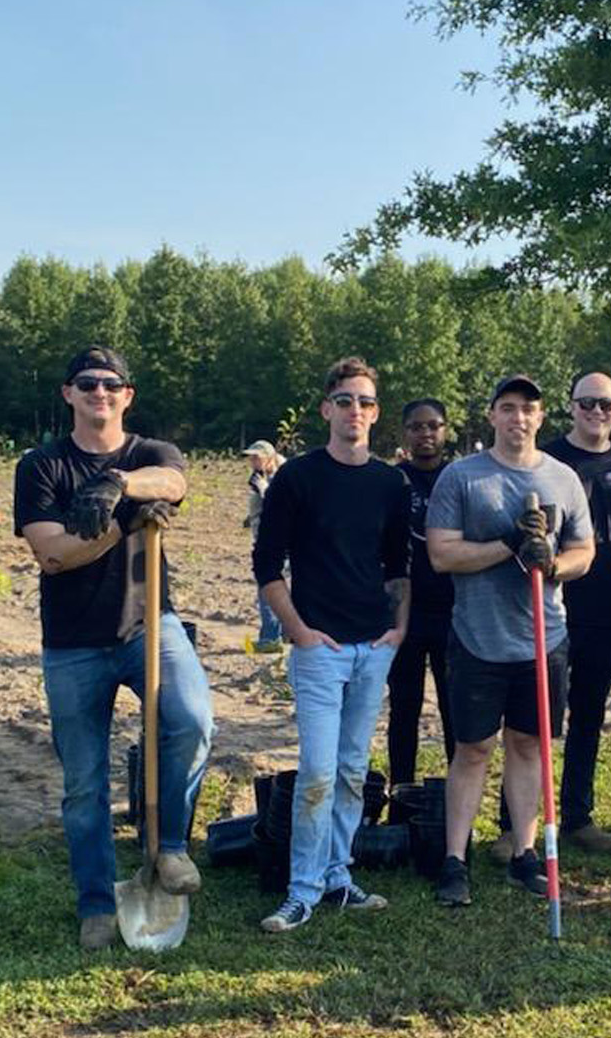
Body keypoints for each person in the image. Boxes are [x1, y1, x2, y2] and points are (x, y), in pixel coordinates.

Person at [14, 346, 213, 949]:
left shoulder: (147, 453)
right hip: (73, 643)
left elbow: (174, 482)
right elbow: (53, 553)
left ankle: (171, 848)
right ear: (68, 393)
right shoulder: (41, 465)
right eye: (87, 384)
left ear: (127, 395)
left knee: (190, 720)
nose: (100, 393)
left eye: (112, 384)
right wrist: (123, 523)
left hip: (148, 624)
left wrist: (117, 484)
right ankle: (96, 902)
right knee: (84, 782)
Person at [254, 357, 410, 932]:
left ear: (375, 413)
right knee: (317, 771)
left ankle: (339, 877)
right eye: (345, 400)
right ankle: (301, 889)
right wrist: (298, 632)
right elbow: (267, 565)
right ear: (326, 408)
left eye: (366, 402)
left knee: (350, 769)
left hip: (374, 647)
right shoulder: (297, 477)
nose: (355, 411)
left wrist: (398, 629)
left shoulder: (388, 483)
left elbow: (399, 565)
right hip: (320, 649)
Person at [426, 375, 594, 907]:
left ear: (542, 418)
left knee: (528, 745)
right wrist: (508, 543)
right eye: (507, 408)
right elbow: (442, 555)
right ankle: (455, 859)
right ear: (492, 416)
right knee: (472, 748)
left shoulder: (564, 479)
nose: (518, 418)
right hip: (478, 639)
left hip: (544, 640)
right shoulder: (462, 477)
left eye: (528, 409)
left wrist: (554, 563)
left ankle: (525, 853)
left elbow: (584, 550)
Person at [521, 371, 611, 854]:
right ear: (571, 407)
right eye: (588, 404)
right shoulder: (546, 458)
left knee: (589, 716)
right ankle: (518, 827)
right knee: (535, 719)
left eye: (607, 404)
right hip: (550, 608)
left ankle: (578, 818)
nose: (597, 412)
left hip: (606, 611)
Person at [387, 398, 457, 785]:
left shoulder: (459, 478)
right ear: (405, 434)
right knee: (404, 709)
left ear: (445, 430)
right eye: (416, 427)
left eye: (434, 426)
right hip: (406, 616)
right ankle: (401, 795)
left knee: (455, 713)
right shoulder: (392, 482)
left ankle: (454, 810)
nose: (426, 434)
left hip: (454, 613)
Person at [242, 440, 284, 653]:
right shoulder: (262, 478)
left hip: (277, 543)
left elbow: (280, 508)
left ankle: (270, 639)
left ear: (269, 457)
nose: (253, 462)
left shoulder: (280, 479)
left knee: (267, 589)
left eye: (257, 457)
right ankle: (284, 634)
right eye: (251, 458)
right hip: (267, 538)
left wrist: (264, 490)